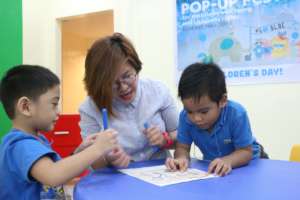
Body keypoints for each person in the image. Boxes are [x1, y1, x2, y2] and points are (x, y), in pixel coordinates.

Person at [0, 65, 118, 199]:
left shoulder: (37, 139)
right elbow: (53, 175)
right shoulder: (21, 145)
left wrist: (80, 151)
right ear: (26, 107)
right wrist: (98, 148)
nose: (58, 111)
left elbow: (59, 169)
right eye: (54, 104)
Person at [79, 32, 178, 169]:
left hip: (159, 173)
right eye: (112, 83)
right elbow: (91, 161)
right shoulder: (90, 108)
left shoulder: (158, 91)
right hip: (116, 179)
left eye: (127, 76)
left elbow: (181, 138)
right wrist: (108, 158)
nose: (123, 87)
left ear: (136, 68)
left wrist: (164, 140)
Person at [165, 62, 264, 176]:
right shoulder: (185, 117)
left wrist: (227, 161)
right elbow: (182, 147)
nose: (196, 118)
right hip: (215, 166)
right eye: (190, 111)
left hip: (251, 163)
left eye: (204, 112)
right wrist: (181, 158)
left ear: (222, 101)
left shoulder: (237, 114)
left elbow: (246, 152)